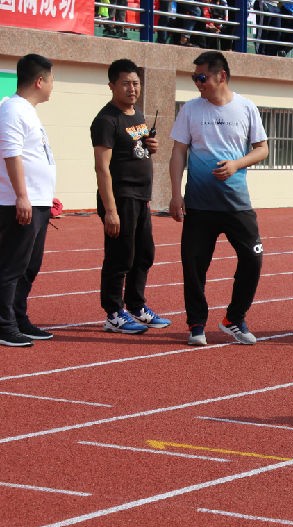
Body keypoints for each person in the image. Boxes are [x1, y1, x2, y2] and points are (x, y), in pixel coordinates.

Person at [169, 51, 269, 346]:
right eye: (194, 78)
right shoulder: (190, 110)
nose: (198, 83)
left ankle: (234, 319)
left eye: (202, 77)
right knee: (194, 265)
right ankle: (196, 323)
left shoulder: (246, 108)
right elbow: (178, 153)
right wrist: (175, 195)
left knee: (253, 260)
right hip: (199, 205)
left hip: (237, 204)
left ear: (220, 76)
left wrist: (237, 164)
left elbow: (262, 149)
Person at [91, 58, 172, 335]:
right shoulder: (106, 120)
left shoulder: (136, 113)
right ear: (112, 85)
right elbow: (102, 168)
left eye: (136, 83)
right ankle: (113, 313)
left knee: (144, 253)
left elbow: (137, 149)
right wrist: (110, 210)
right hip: (121, 197)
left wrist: (151, 145)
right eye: (125, 83)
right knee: (120, 256)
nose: (132, 88)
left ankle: (136, 306)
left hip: (140, 197)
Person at [0, 54, 56, 348]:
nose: (52, 86)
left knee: (29, 266)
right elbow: (12, 154)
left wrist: (45, 195)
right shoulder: (12, 109)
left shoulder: (28, 111)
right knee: (11, 266)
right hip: (18, 203)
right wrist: (23, 195)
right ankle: (4, 324)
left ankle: (18, 318)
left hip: (37, 202)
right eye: (51, 80)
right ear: (39, 81)